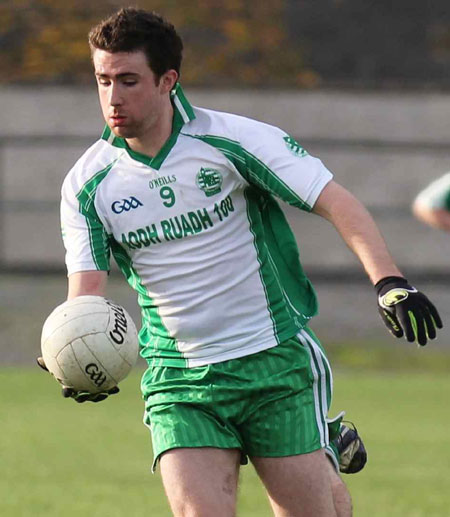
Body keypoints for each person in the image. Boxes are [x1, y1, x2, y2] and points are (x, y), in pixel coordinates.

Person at [37, 8, 442, 517]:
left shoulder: (231, 140)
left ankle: (320, 444)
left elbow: (335, 201)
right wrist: (71, 349)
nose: (113, 97)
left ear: (167, 81)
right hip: (179, 377)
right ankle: (324, 443)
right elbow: (87, 292)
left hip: (272, 361)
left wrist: (390, 282)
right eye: (102, 80)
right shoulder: (88, 184)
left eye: (128, 80)